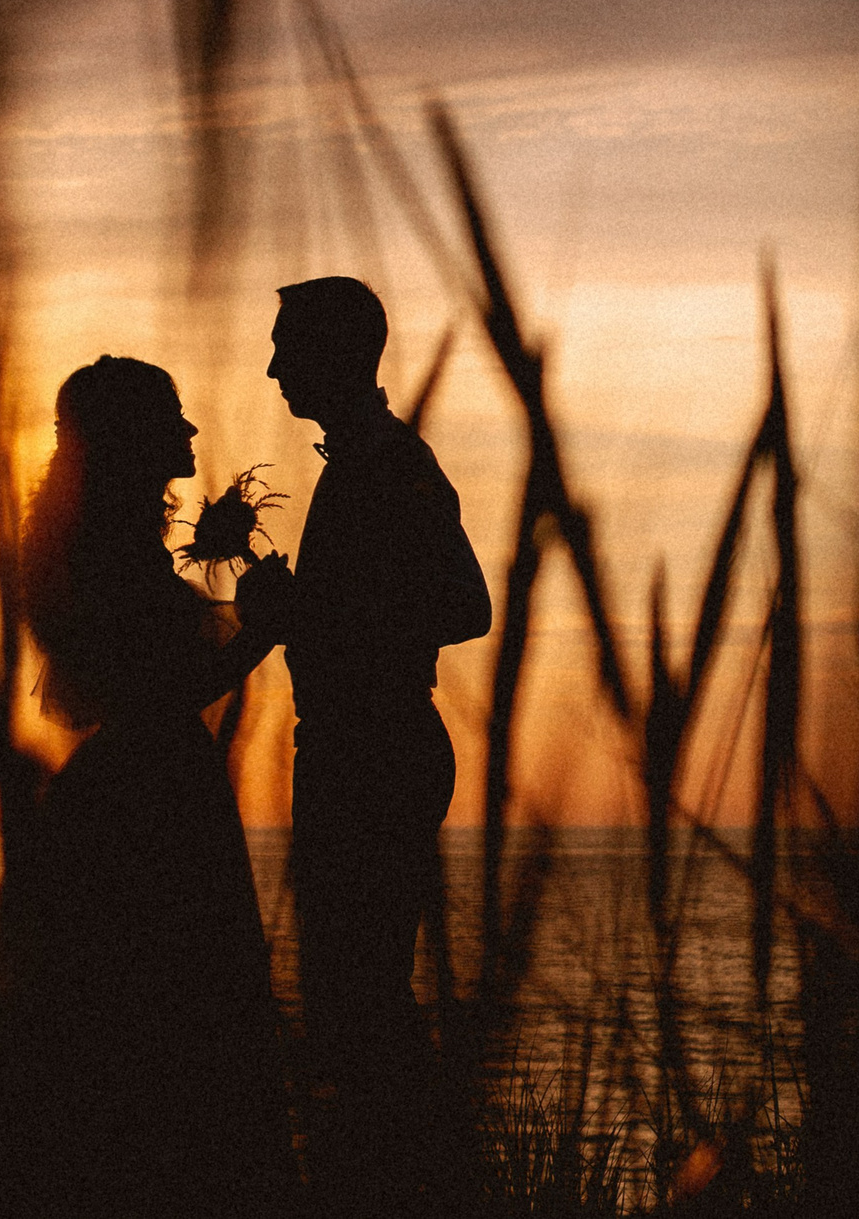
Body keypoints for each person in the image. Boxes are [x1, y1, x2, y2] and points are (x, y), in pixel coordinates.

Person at [0, 356, 294, 1219]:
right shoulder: (102, 549)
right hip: (151, 802)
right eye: (172, 419)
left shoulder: (89, 537)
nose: (189, 433)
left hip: (125, 788)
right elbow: (157, 682)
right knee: (156, 1019)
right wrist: (262, 633)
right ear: (134, 438)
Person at [243, 277, 491, 1214]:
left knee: (363, 999)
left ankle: (408, 1183)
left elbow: (468, 605)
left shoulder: (392, 464)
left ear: (337, 354)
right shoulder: (360, 464)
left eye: (285, 346)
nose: (271, 365)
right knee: (358, 996)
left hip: (376, 752)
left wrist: (309, 611)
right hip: (355, 747)